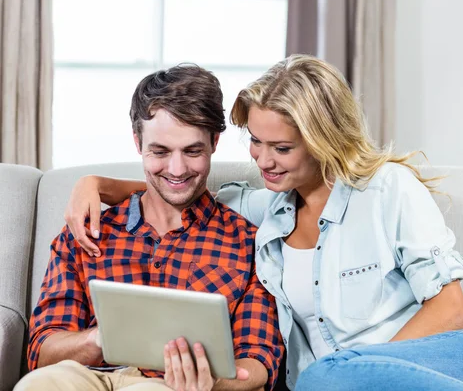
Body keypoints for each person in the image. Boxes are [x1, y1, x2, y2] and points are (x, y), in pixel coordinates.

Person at [64, 55, 463, 391]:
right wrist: (95, 184)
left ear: (323, 140)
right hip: (343, 385)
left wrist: (353, 370)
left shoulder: (388, 189)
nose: (263, 161)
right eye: (255, 142)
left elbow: (450, 311)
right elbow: (181, 187)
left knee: (322, 376)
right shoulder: (270, 208)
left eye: (282, 148)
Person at [15, 64, 283, 391]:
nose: (177, 169)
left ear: (214, 142)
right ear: (137, 142)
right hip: (90, 376)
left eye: (192, 151)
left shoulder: (247, 244)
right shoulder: (85, 232)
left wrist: (211, 383)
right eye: (160, 151)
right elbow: (42, 351)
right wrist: (103, 338)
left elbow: (258, 361)